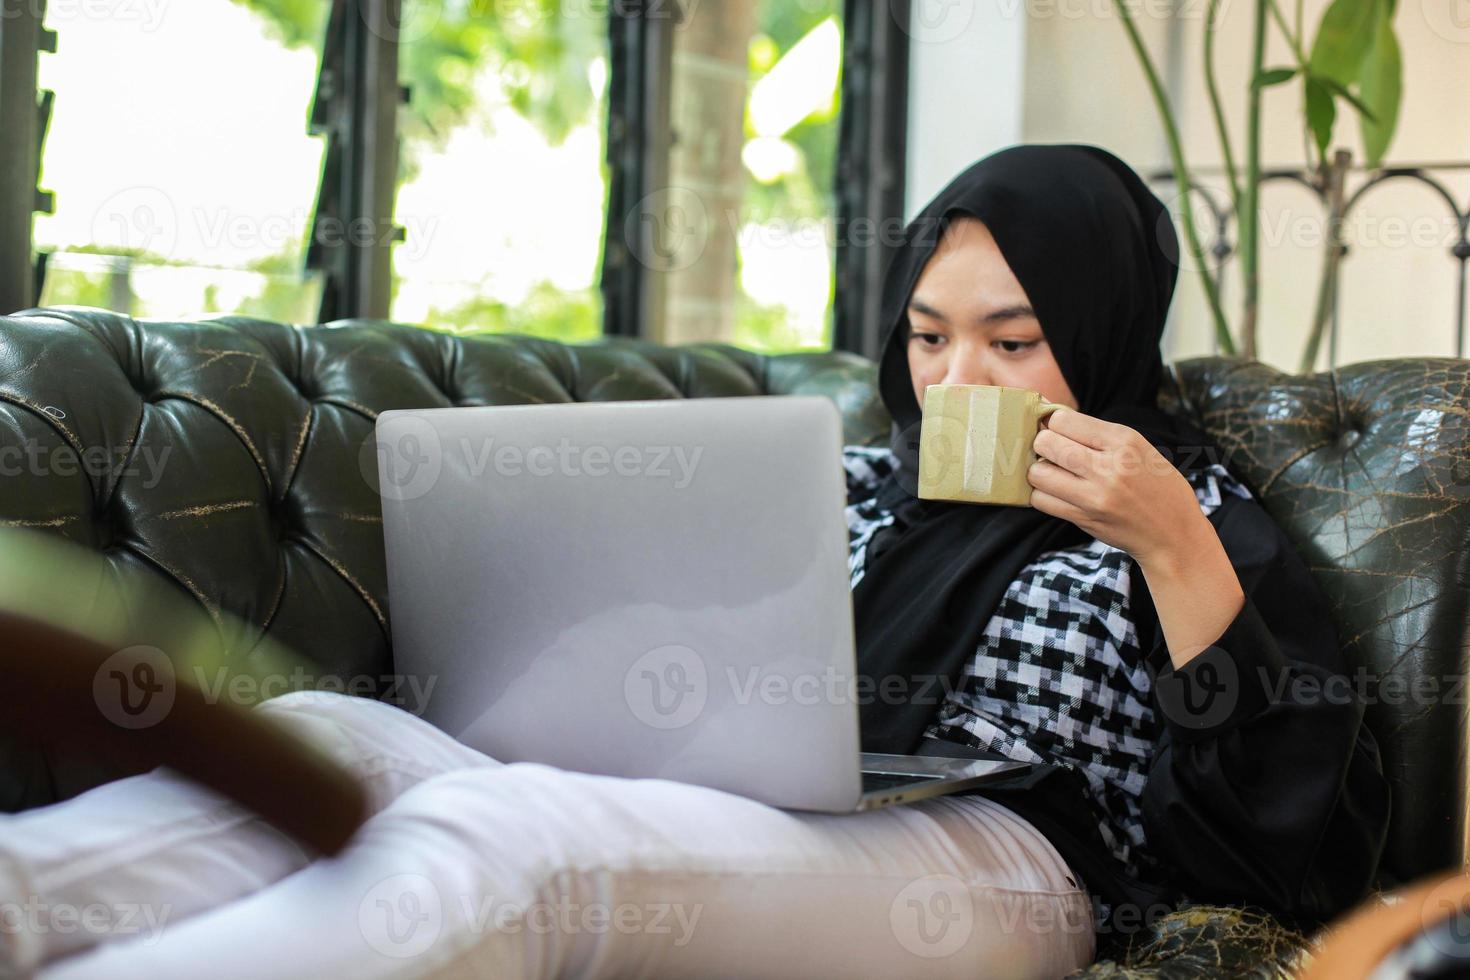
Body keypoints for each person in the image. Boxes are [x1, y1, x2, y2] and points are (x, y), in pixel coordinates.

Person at [0, 144, 1388, 979]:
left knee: (514, 847)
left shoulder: (1193, 510)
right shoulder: (853, 481)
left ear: (1102, 324)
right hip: (761, 790)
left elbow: (1285, 848)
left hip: (1003, 863)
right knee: (326, 736)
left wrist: (1166, 544)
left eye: (1012, 342)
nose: (956, 376)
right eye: (924, 334)